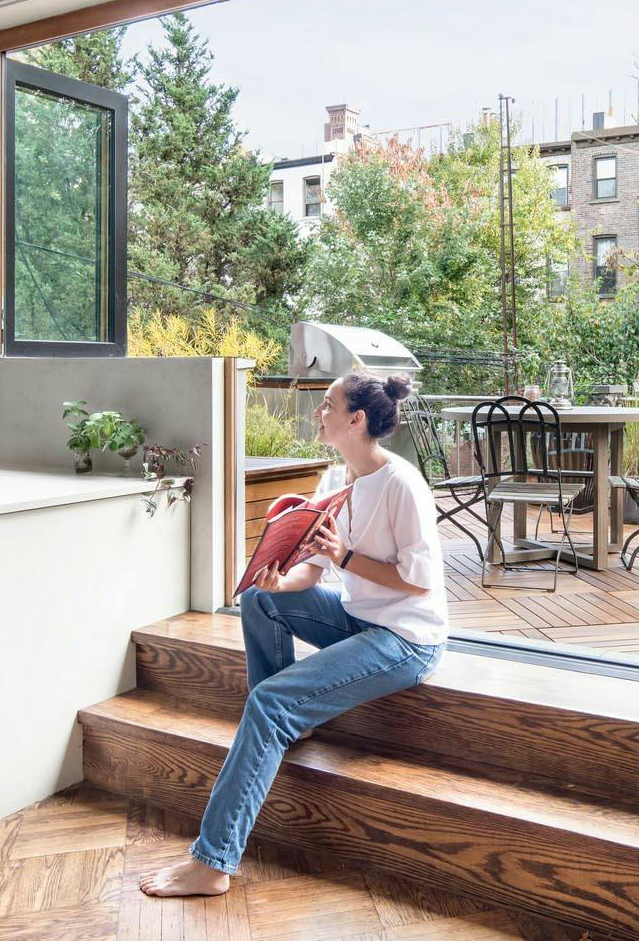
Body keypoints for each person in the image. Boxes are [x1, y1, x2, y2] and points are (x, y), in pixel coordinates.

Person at [140, 372, 448, 897]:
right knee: (261, 598)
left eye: (327, 405)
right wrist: (284, 580)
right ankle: (291, 724)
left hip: (406, 639)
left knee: (269, 702)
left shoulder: (403, 484)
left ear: (356, 420)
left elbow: (417, 585)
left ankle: (213, 863)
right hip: (358, 616)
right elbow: (313, 568)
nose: (317, 413)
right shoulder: (336, 477)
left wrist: (344, 557)